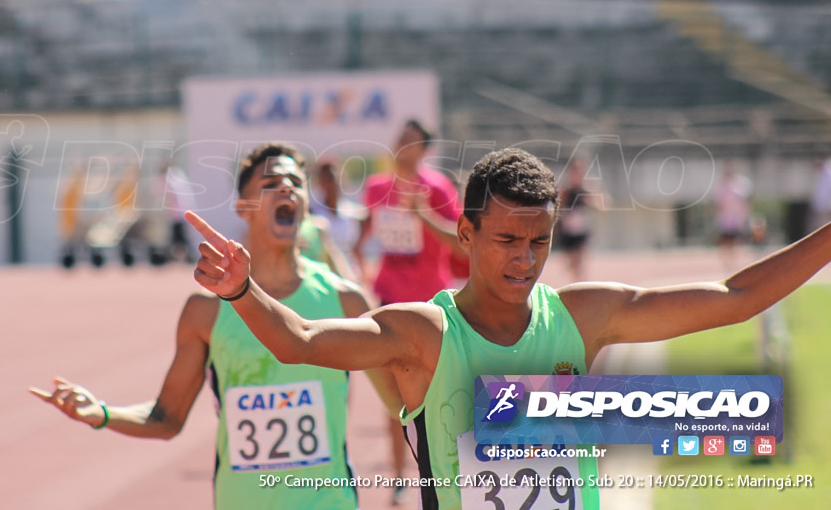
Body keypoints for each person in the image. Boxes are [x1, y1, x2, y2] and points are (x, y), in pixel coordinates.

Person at [186, 147, 831, 510]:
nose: (524, 259)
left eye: (539, 242)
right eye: (505, 241)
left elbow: (735, 296)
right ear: (464, 234)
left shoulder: (584, 316)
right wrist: (242, 290)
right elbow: (300, 339)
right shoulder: (424, 333)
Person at [31, 143, 400, 510]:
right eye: (271, 182)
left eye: (295, 182)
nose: (286, 187)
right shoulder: (206, 311)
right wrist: (103, 413)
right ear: (244, 208)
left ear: (305, 202)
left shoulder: (346, 301)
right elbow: (167, 418)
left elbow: (401, 406)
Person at [351, 118, 466, 502]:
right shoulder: (377, 188)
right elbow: (364, 232)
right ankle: (401, 473)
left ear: (424, 150)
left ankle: (449, 468)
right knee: (393, 391)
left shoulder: (437, 188)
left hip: (432, 302)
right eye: (399, 138)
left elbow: (460, 243)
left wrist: (423, 215)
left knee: (441, 390)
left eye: (411, 141)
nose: (402, 146)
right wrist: (360, 263)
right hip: (389, 299)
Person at [555, 156, 607, 282]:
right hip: (567, 232)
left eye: (580, 171)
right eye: (574, 171)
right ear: (569, 173)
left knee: (580, 262)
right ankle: (575, 281)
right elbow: (556, 209)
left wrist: (593, 201)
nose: (577, 174)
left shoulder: (587, 191)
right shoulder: (565, 191)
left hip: (581, 232)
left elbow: (603, 207)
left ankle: (580, 285)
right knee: (573, 263)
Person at [713, 163, 754, 273]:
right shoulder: (722, 186)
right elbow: (719, 204)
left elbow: (745, 202)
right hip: (726, 220)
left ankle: (732, 263)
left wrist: (744, 217)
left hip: (735, 220)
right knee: (725, 242)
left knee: (734, 242)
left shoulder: (739, 185)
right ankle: (728, 264)